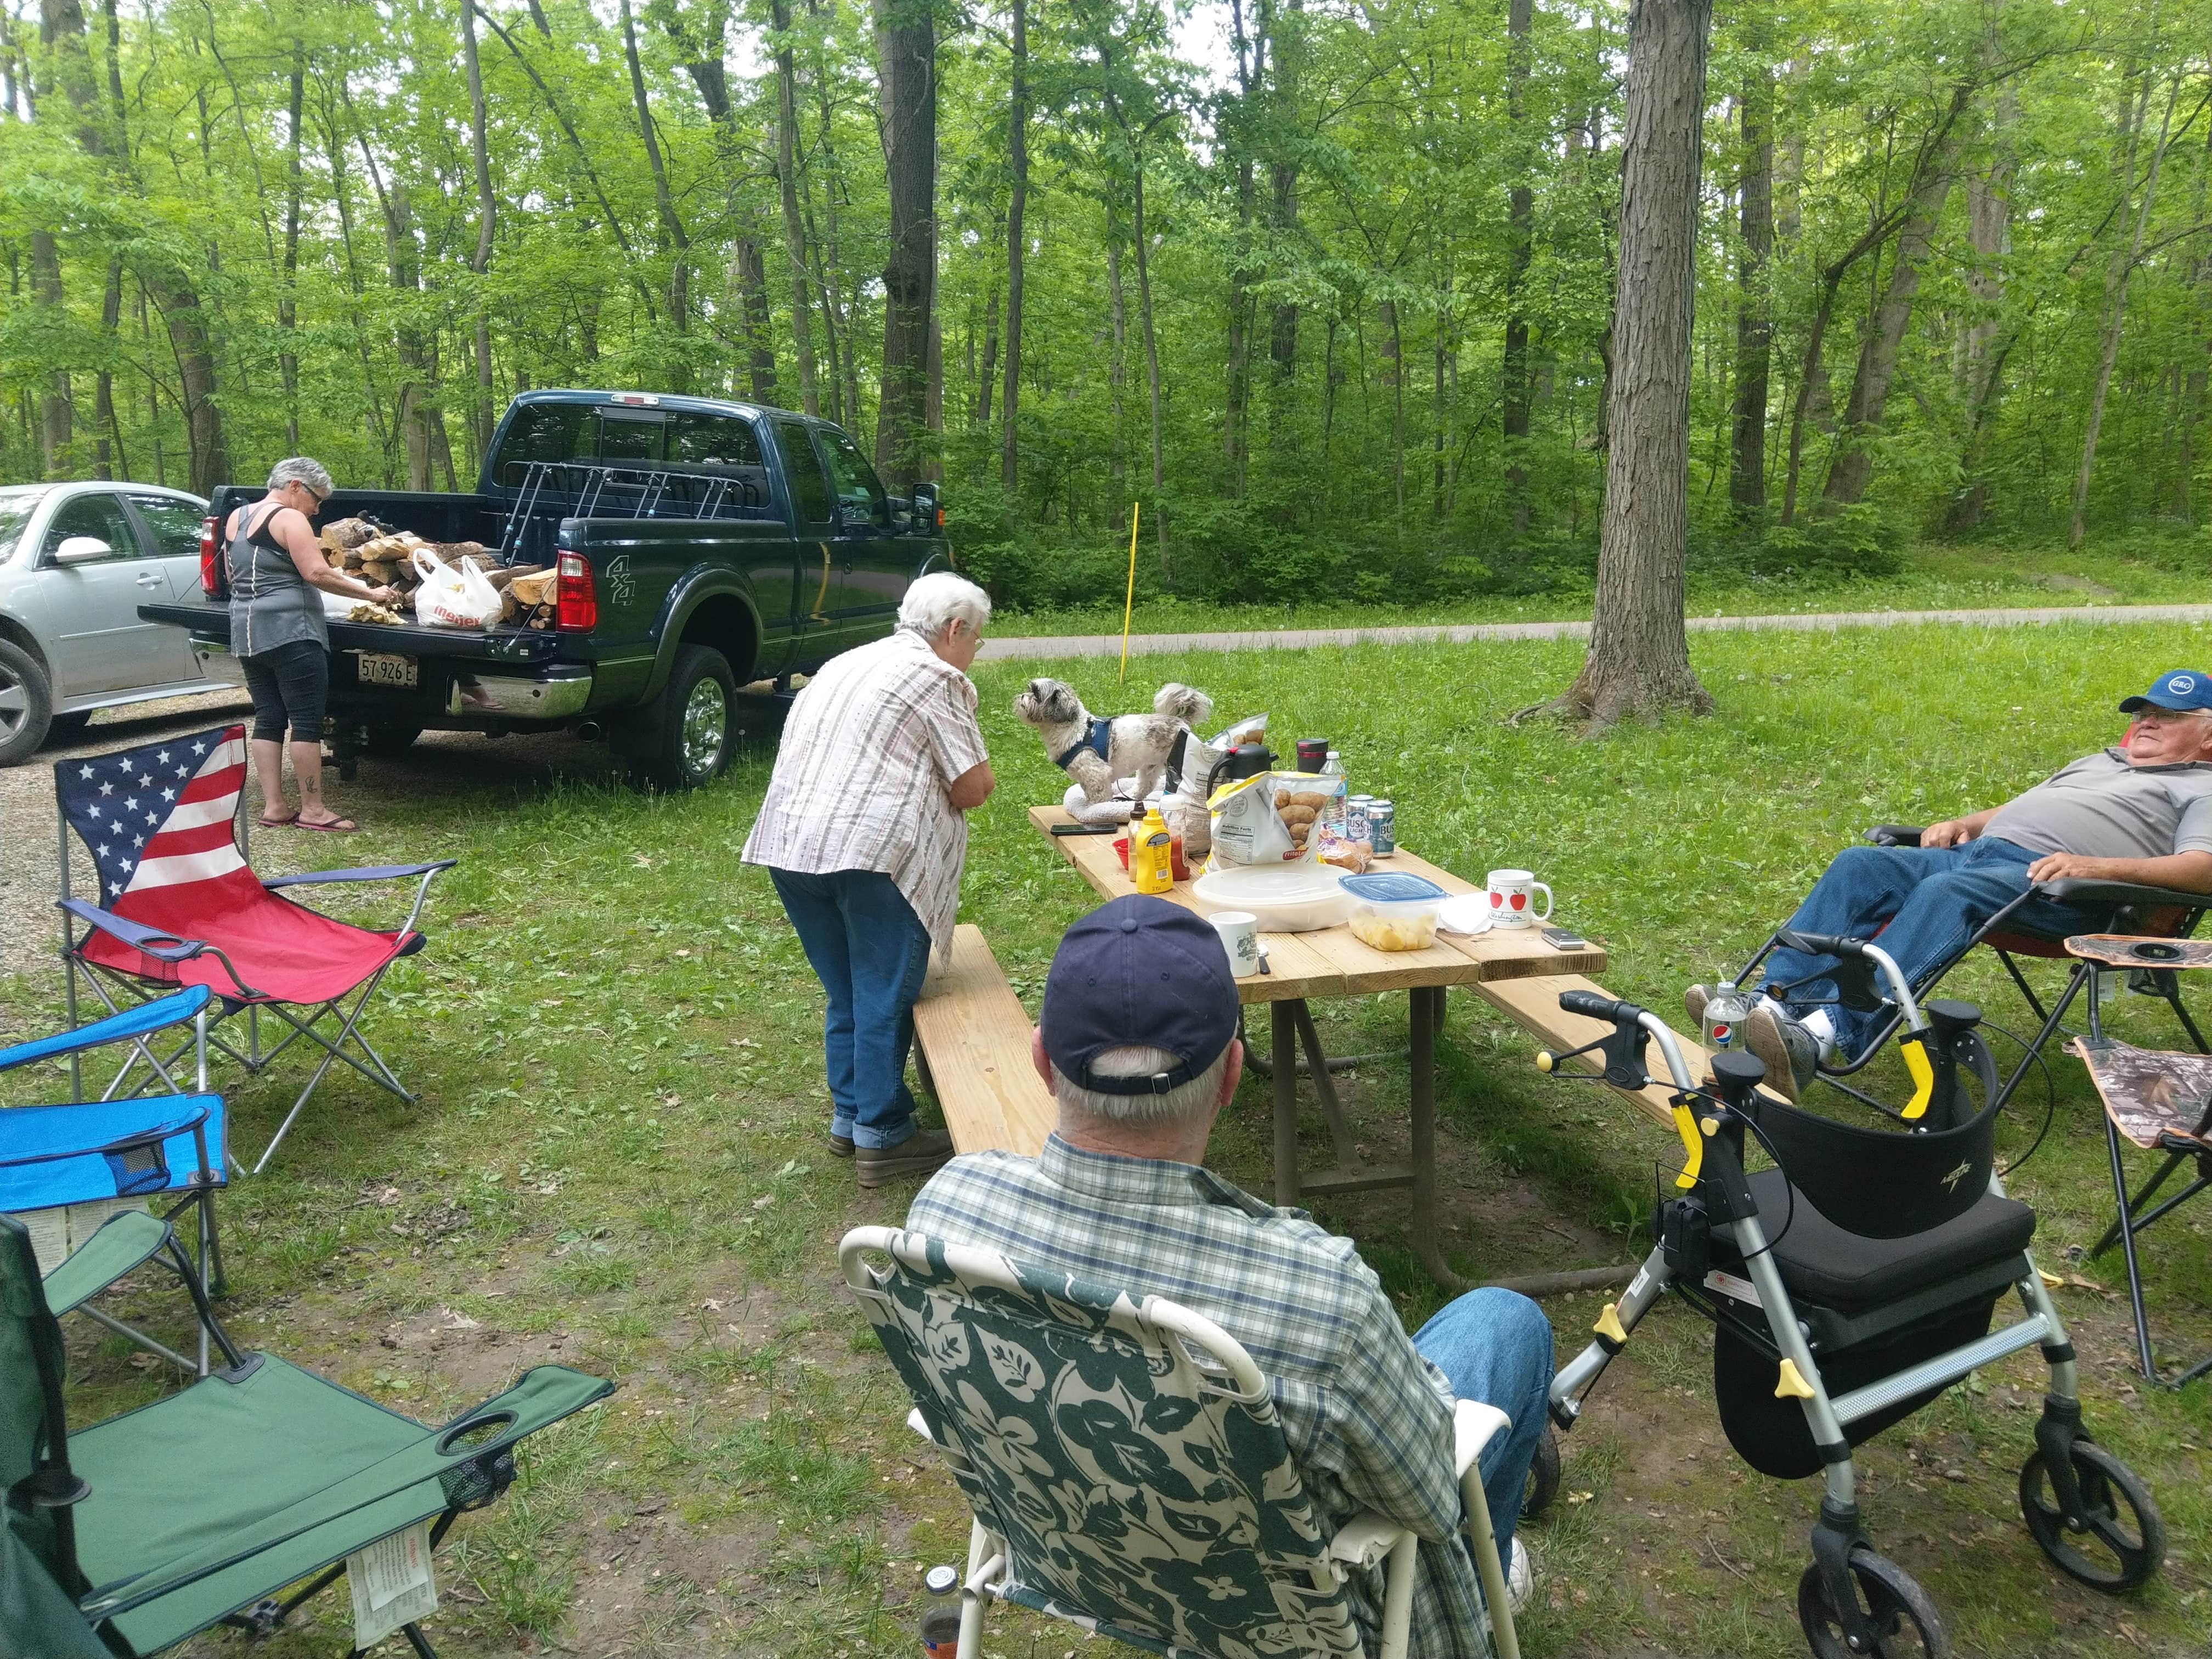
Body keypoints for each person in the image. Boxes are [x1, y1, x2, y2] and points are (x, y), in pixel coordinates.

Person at [908, 894, 1552, 1655]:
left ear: (1043, 1062)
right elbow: (1425, 1495)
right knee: (1506, 1325)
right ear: (1232, 1075)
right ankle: (1486, 1580)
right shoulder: (1318, 1296)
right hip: (1315, 1622)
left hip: (1092, 1563)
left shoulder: (947, 1215)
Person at [1693, 669, 2212, 1098]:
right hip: (1980, 856)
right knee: (1861, 863)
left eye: (2168, 716)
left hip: (2063, 888)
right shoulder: (2102, 762)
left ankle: (1822, 1035)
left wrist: (2099, 867)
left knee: (1947, 894)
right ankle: (1771, 1006)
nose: (2147, 723)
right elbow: (2023, 810)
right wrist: (1968, 822)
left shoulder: (2203, 787)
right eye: (2143, 713)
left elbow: (2202, 867)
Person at [742, 572, 996, 1187]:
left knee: (849, 991)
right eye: (978, 640)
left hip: (792, 845)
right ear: (955, 628)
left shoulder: (844, 663)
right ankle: (883, 1136)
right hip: (872, 850)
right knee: (883, 993)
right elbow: (973, 787)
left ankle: (849, 1117)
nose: (975, 653)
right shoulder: (937, 676)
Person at [224, 458, 396, 832]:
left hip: (247, 630)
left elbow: (230, 574)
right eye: (317, 500)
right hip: (291, 632)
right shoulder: (290, 519)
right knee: (306, 721)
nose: (318, 509)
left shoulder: (237, 518)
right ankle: (314, 810)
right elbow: (316, 573)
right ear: (296, 486)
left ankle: (275, 807)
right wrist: (371, 593)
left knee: (269, 716)